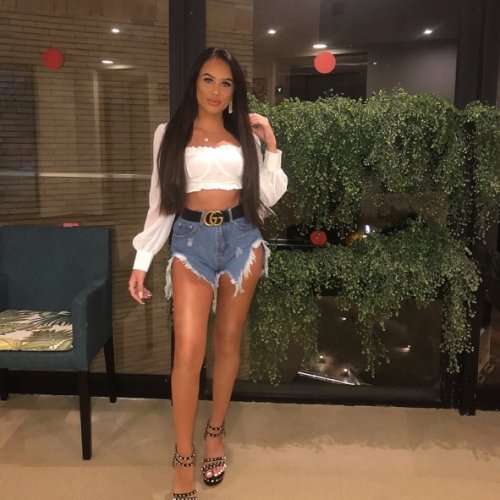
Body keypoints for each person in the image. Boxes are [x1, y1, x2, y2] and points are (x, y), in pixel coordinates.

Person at [128, 47, 287, 500]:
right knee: (188, 350)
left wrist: (271, 146)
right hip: (190, 244)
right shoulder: (169, 134)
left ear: (235, 90)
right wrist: (142, 260)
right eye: (208, 80)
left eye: (226, 83)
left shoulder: (243, 135)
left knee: (228, 341)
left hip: (241, 241)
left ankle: (214, 432)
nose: (216, 91)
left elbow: (268, 195)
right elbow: (161, 201)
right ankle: (183, 456)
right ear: (194, 83)